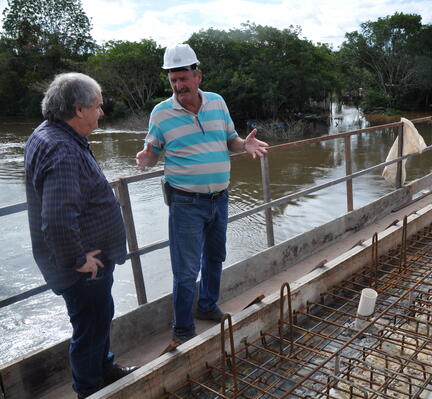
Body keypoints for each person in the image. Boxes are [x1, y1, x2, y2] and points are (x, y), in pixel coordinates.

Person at [136, 44, 268, 345]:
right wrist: (146, 157)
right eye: (173, 80)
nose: (179, 86)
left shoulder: (218, 103)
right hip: (185, 202)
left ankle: (207, 306)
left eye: (184, 78)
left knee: (215, 257)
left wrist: (243, 146)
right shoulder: (160, 113)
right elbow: (153, 152)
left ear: (198, 76)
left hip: (219, 198)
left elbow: (231, 140)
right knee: (185, 271)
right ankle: (183, 330)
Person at [24, 72, 137, 398]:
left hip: (89, 260)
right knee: (89, 329)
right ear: (78, 110)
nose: (102, 113)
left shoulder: (47, 135)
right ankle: (91, 391)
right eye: (98, 107)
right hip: (86, 265)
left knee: (98, 320)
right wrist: (78, 260)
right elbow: (57, 219)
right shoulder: (63, 150)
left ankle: (105, 371)